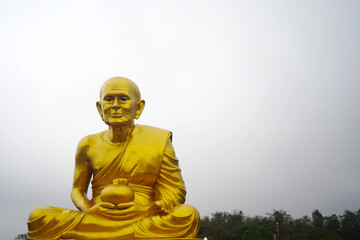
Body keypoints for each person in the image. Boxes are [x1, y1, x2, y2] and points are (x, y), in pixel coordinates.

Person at [27, 77, 200, 240]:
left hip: (143, 215)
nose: (115, 105)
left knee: (188, 214)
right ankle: (122, 234)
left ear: (138, 107)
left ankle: (99, 235)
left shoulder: (158, 139)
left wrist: (148, 209)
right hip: (98, 215)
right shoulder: (88, 144)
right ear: (99, 107)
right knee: (38, 215)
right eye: (109, 99)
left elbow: (175, 190)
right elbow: (77, 190)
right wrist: (89, 210)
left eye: (123, 99)